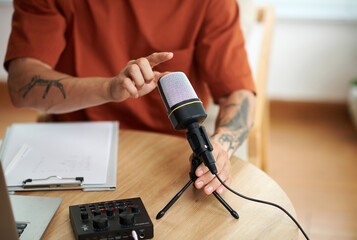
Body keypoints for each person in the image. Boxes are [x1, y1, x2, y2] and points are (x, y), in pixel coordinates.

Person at [4, 0, 256, 196]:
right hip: (73, 151)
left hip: (172, 157)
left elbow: (238, 92)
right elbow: (21, 84)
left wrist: (221, 145)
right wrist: (108, 89)